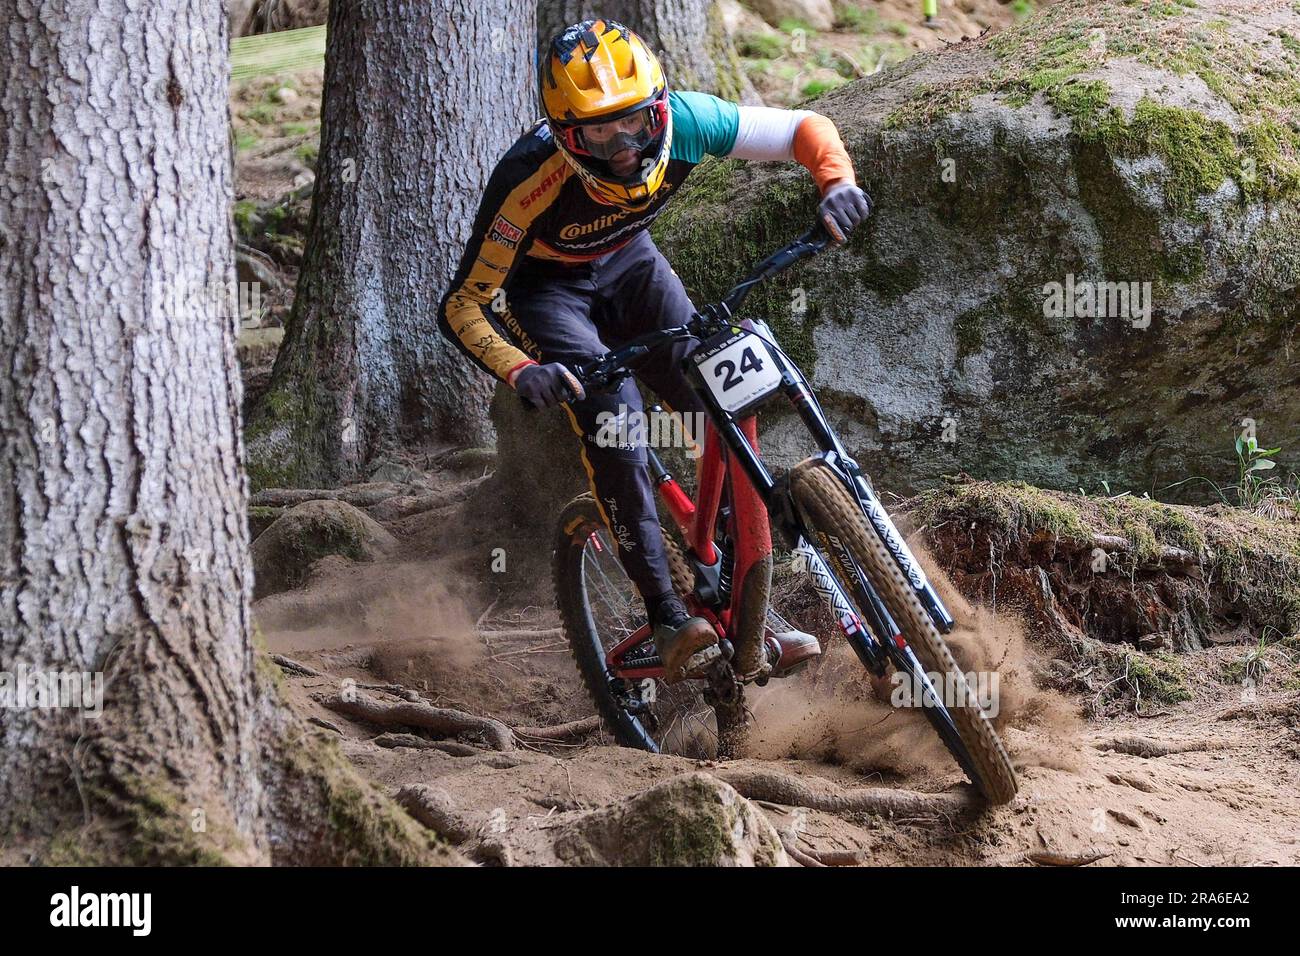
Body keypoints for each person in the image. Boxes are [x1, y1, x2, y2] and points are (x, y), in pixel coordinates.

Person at [439, 19, 871, 682]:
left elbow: (801, 129)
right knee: (616, 418)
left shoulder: (692, 121)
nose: (621, 149)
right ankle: (667, 614)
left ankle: (741, 596)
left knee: (715, 389)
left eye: (636, 124)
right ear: (563, 136)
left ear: (662, 108)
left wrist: (835, 181)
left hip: (632, 265)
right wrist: (522, 370)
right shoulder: (526, 183)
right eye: (597, 135)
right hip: (548, 295)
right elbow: (463, 305)